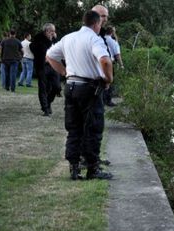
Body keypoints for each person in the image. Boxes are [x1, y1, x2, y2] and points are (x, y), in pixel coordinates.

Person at [46, 10, 114, 180]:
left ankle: (74, 168)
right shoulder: (94, 39)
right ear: (96, 24)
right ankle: (93, 169)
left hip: (71, 86)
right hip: (89, 89)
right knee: (93, 128)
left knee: (74, 128)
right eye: (100, 24)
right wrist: (108, 79)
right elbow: (105, 60)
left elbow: (50, 56)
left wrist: (64, 72)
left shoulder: (68, 38)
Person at [30, 23, 61, 116]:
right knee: (43, 88)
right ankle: (45, 109)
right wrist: (50, 40)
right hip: (42, 66)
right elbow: (43, 50)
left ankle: (48, 102)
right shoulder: (38, 39)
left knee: (57, 87)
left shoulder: (53, 39)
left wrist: (53, 39)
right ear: (46, 31)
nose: (54, 33)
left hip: (53, 65)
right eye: (52, 31)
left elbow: (58, 49)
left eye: (54, 31)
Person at [92, 5, 116, 107]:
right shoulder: (89, 34)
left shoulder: (102, 32)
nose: (105, 19)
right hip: (91, 78)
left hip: (100, 77)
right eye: (103, 16)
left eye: (106, 16)